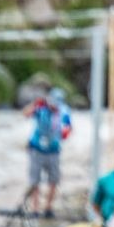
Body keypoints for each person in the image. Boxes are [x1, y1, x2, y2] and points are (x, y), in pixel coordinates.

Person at [23, 86, 72, 218]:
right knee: (35, 179)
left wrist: (65, 132)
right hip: (36, 149)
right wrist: (35, 104)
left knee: (54, 179)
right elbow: (25, 114)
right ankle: (35, 208)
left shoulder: (64, 112)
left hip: (54, 150)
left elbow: (68, 129)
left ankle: (48, 207)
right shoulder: (41, 108)